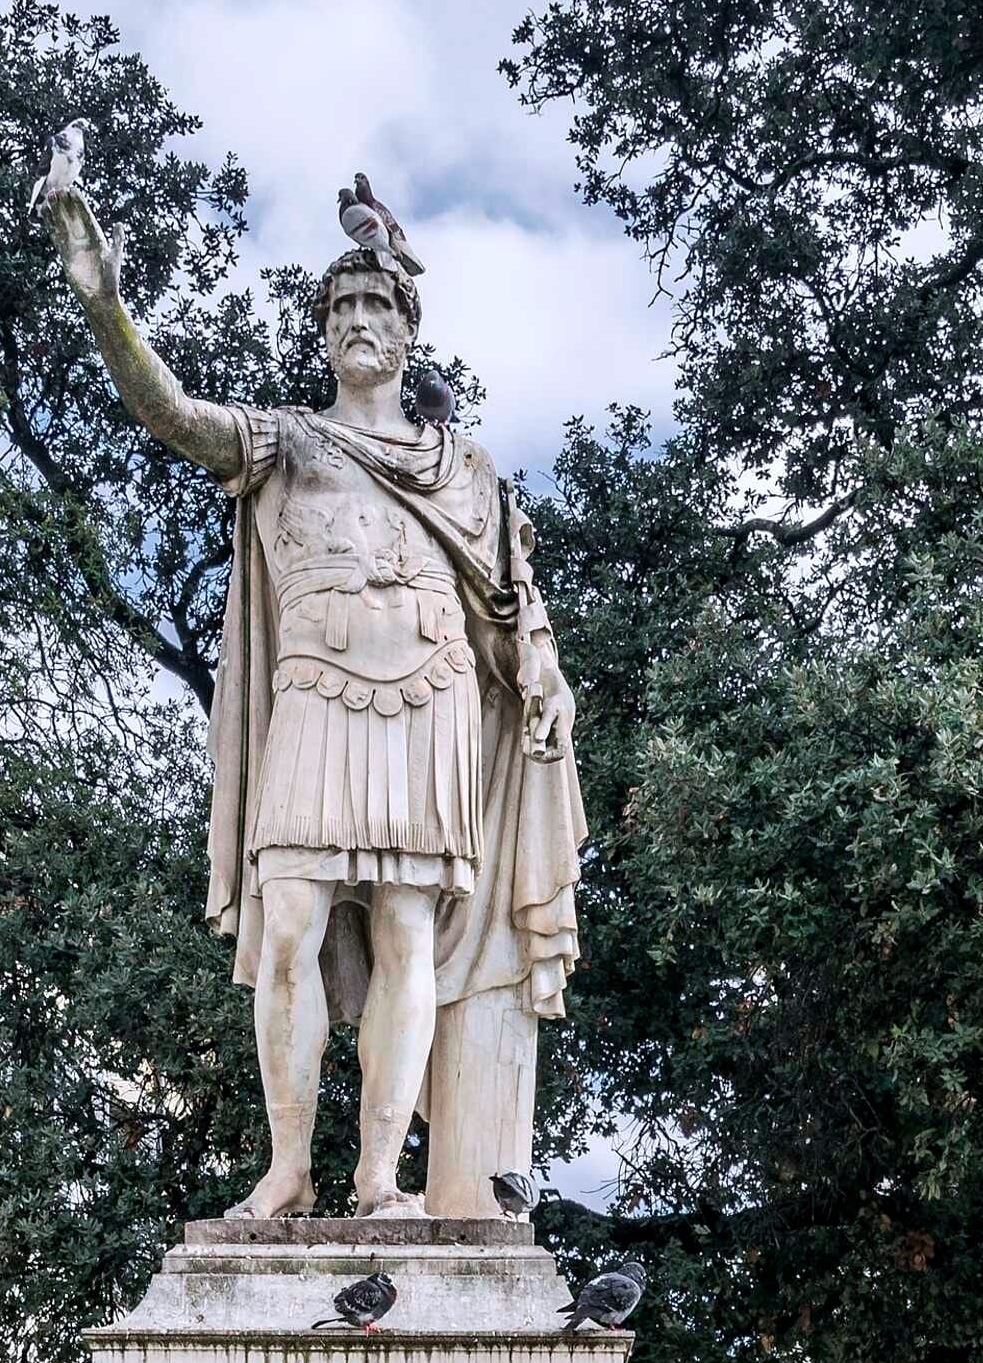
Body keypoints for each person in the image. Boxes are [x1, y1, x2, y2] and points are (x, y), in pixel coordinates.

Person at [37, 153, 587, 1220]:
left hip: (428, 703)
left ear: (407, 327)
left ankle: (380, 1178)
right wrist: (105, 305)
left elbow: (507, 605)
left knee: (404, 932)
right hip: (313, 702)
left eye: (377, 300)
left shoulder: (461, 467)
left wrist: (544, 677)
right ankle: (288, 1167)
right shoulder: (286, 440)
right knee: (283, 921)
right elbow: (172, 414)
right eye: (341, 303)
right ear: (322, 327)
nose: (358, 317)